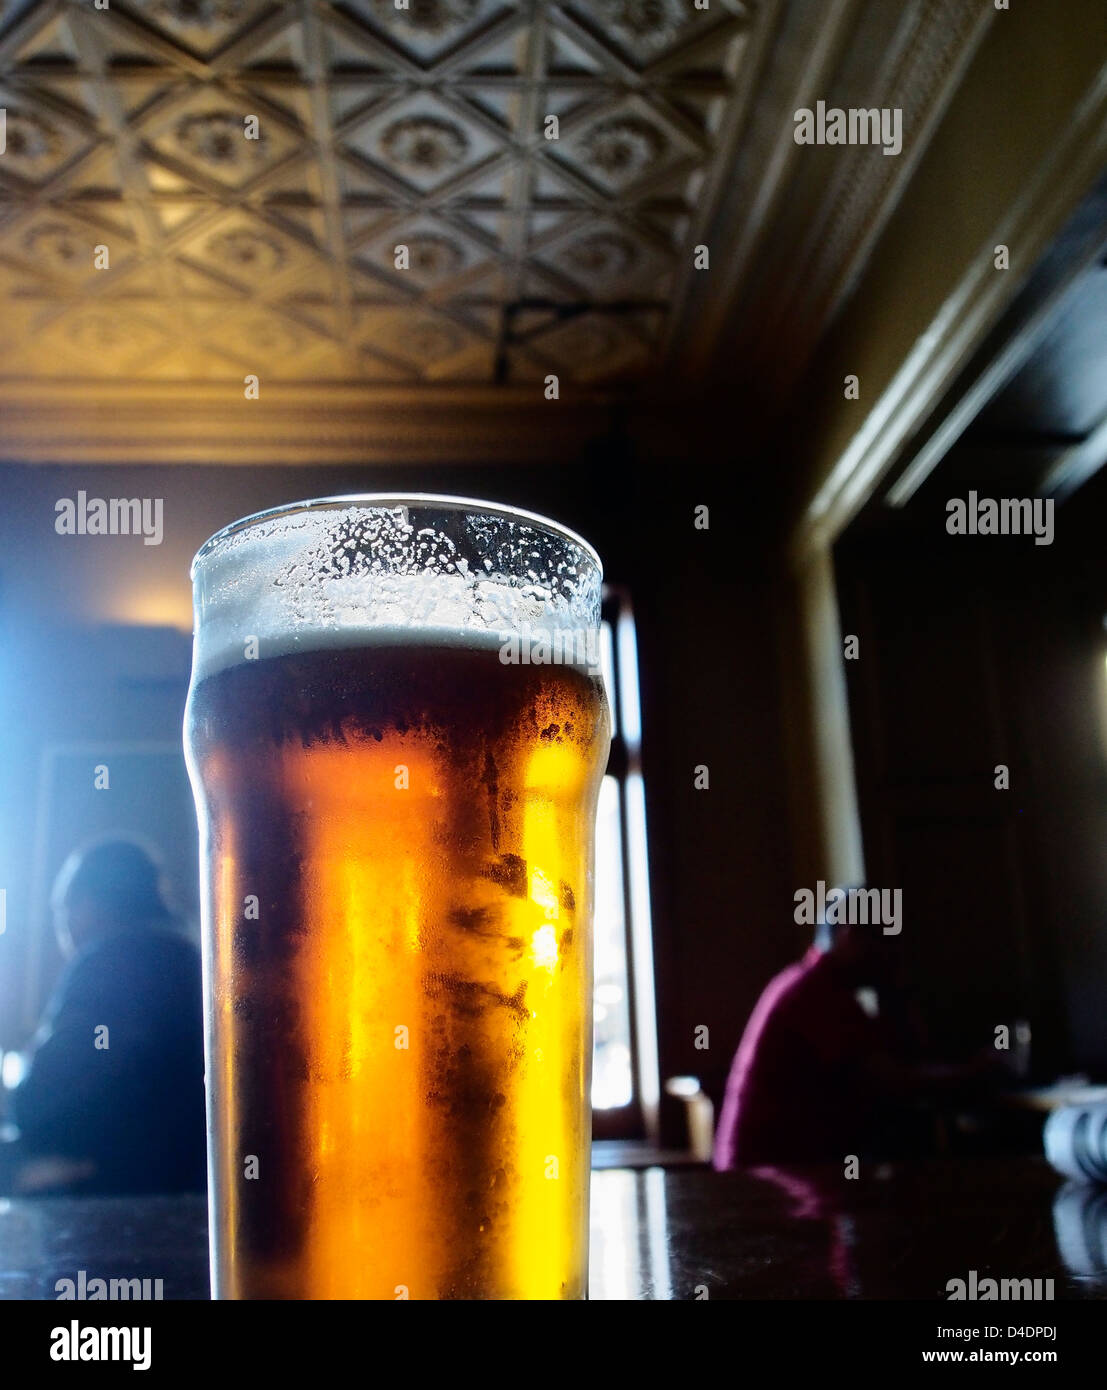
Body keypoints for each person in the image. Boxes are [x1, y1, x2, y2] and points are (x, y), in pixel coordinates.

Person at [713, 886, 995, 1169]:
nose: (890, 953)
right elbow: (890, 1080)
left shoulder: (808, 984)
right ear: (850, 934)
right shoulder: (818, 993)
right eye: (882, 939)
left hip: (769, 1171)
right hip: (768, 1179)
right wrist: (977, 1072)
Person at [0, 836, 206, 1195]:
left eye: (64, 912)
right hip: (191, 1176)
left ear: (91, 906)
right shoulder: (193, 956)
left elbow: (37, 1104)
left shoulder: (108, 960)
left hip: (124, 1180)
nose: (63, 928)